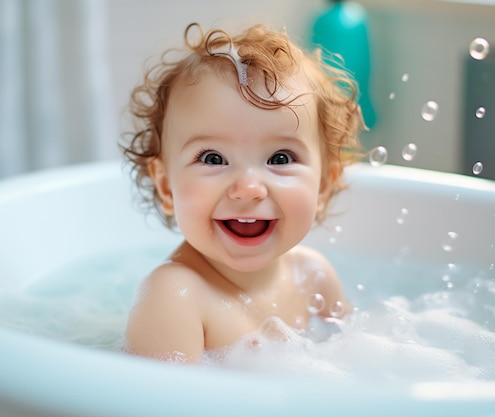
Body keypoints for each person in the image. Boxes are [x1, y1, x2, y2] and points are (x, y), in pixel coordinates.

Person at [121, 22, 364, 363]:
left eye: (280, 158)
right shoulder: (175, 297)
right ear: (166, 186)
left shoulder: (314, 276)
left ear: (323, 184)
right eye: (213, 158)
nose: (248, 188)